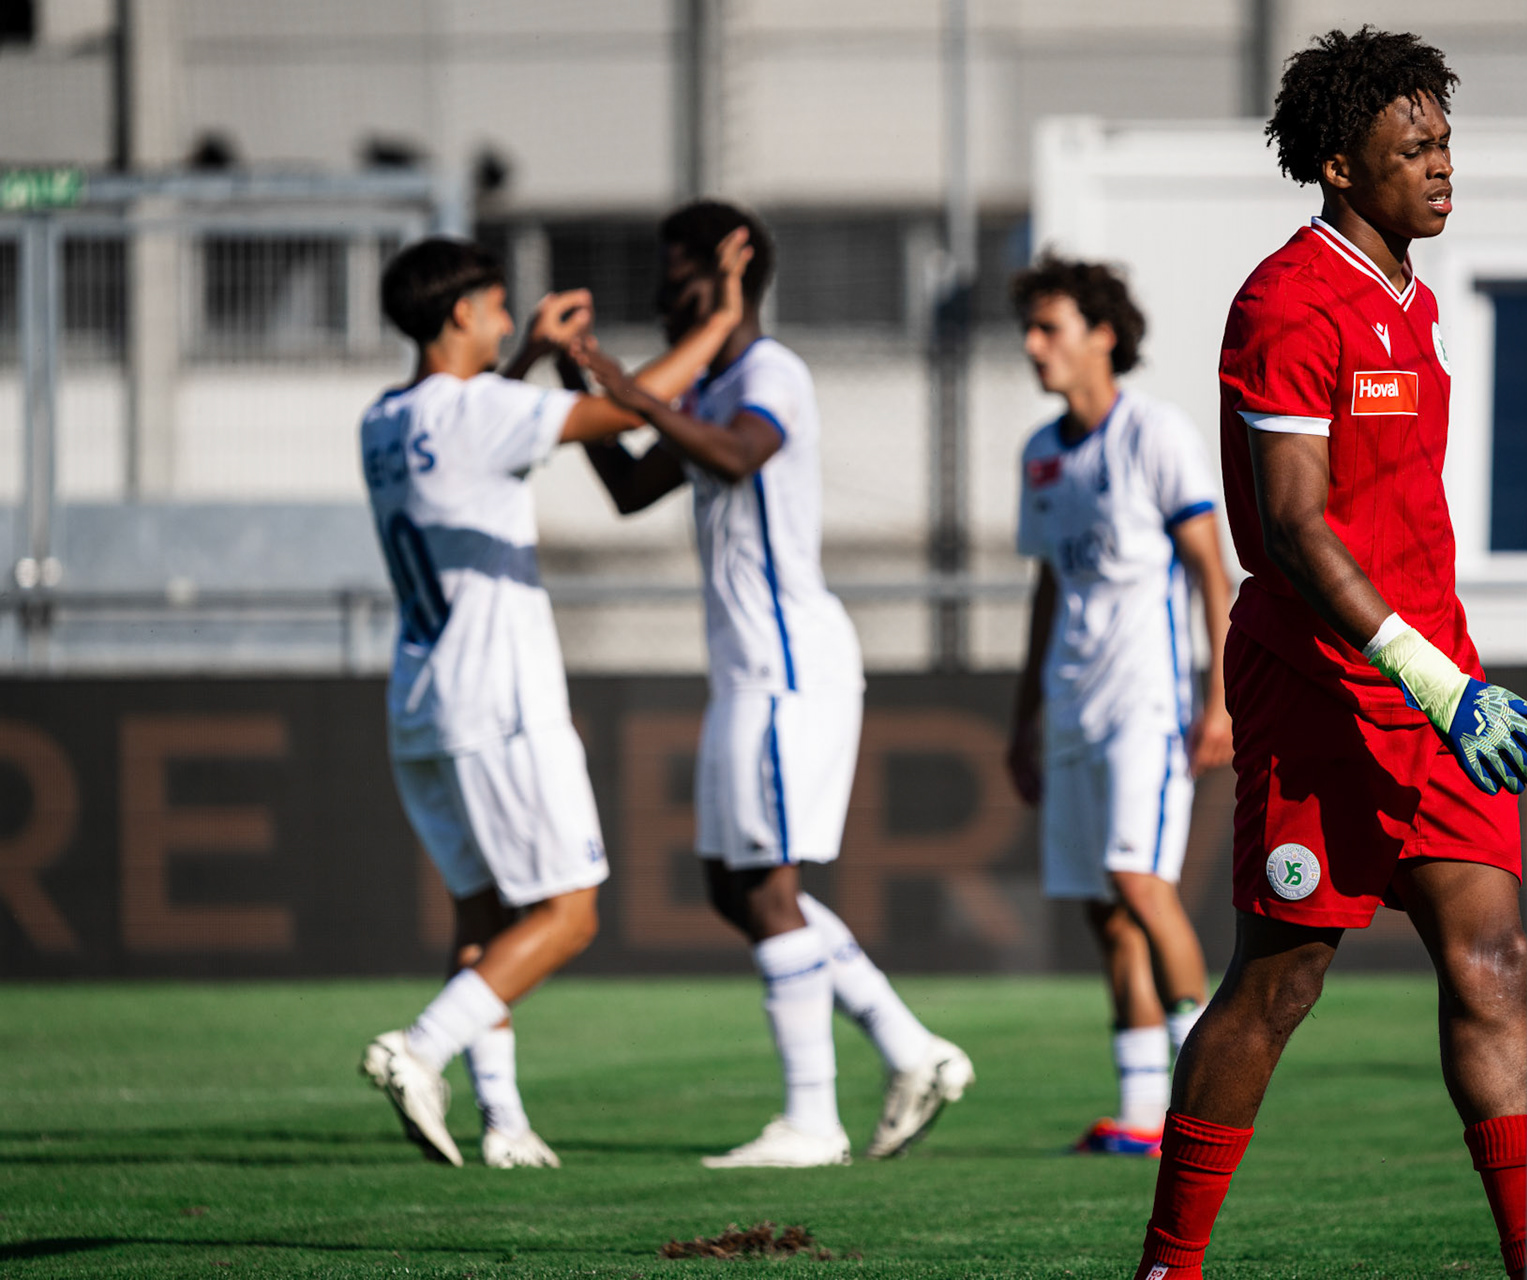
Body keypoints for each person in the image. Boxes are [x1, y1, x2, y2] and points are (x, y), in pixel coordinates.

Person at [1130, 28, 1527, 1279]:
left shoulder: (1411, 301)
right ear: (1339, 167)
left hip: (1439, 682)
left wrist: (1445, 676)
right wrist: (1427, 673)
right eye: (1411, 146)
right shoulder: (1289, 301)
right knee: (1280, 982)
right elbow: (1297, 527)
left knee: (1493, 961)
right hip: (1326, 685)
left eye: (1446, 139)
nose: (1441, 164)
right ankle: (1170, 1266)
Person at [571, 200, 974, 1169]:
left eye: (678, 267)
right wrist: (578, 392)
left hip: (793, 666)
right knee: (732, 885)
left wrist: (632, 390)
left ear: (725, 273)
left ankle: (812, 1118)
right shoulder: (707, 384)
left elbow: (743, 452)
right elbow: (631, 489)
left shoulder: (768, 373)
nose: (664, 287)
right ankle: (912, 1048)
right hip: (750, 669)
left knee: (771, 886)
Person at [357, 230, 752, 1168]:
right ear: (461, 313)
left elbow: (476, 419)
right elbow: (621, 419)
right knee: (570, 913)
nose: (505, 323)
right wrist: (724, 322)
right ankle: (418, 1048)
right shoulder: (478, 411)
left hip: (420, 698)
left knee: (484, 917)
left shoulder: (381, 415)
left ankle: (502, 1123)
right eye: (496, 308)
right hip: (498, 698)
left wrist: (526, 349)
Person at [1003, 255, 1234, 1157]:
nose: (1034, 347)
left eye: (1049, 328)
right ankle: (1143, 1114)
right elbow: (1048, 592)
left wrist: (1220, 699)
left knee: (1143, 885)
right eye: (1030, 330)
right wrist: (1024, 716)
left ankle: (1208, 1098)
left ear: (1103, 334)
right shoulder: (1041, 454)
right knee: (1105, 910)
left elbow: (1212, 571)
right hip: (1070, 707)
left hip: (1148, 704)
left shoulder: (1155, 433)